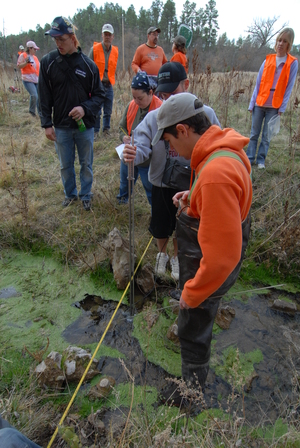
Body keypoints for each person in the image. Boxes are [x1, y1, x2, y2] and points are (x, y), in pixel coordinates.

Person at [152, 92, 252, 403]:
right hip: (214, 252)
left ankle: (190, 397)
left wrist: (191, 294)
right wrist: (194, 197)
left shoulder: (214, 175)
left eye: (169, 140)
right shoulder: (220, 151)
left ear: (183, 130)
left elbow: (222, 258)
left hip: (212, 267)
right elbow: (224, 202)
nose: (170, 148)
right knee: (196, 321)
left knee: (192, 328)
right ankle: (191, 388)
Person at [122, 62, 220, 281]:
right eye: (164, 95)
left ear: (186, 84)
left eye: (173, 93)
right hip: (161, 182)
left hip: (189, 183)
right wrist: (132, 154)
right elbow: (142, 150)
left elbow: (216, 145)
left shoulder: (206, 114)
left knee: (183, 223)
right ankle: (162, 254)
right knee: (160, 223)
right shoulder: (152, 118)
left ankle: (177, 256)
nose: (168, 100)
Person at [38, 16, 105, 211]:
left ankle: (86, 195)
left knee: (86, 164)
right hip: (60, 126)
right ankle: (70, 194)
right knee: (65, 165)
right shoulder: (48, 63)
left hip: (85, 127)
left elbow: (100, 95)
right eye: (55, 39)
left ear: (72, 38)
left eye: (62, 39)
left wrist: (84, 108)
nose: (58, 43)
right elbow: (44, 95)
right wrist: (46, 124)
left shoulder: (89, 65)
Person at [246, 27, 298, 169]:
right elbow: (258, 84)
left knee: (266, 136)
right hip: (260, 103)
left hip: (274, 106)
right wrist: (252, 104)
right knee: (254, 133)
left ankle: (261, 160)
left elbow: (289, 87)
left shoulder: (292, 63)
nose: (281, 44)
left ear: (289, 44)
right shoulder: (267, 60)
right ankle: (249, 159)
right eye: (279, 40)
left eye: (284, 41)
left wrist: (282, 107)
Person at [117, 73, 162, 205]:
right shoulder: (131, 105)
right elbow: (121, 127)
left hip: (148, 161)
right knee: (125, 183)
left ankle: (155, 212)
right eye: (134, 97)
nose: (136, 101)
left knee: (150, 189)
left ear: (150, 92)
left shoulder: (160, 109)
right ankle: (121, 203)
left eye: (140, 98)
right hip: (129, 156)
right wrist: (124, 136)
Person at [89, 24, 118, 139]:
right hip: (97, 84)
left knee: (108, 110)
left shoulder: (115, 51)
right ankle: (95, 132)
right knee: (97, 110)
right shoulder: (94, 49)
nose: (107, 37)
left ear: (113, 37)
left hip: (109, 83)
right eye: (105, 34)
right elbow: (88, 66)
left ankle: (106, 131)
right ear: (102, 35)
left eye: (109, 35)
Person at [17, 41, 41, 117]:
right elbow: (19, 66)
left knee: (39, 97)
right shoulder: (23, 55)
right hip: (27, 80)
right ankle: (32, 112)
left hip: (36, 80)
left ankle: (40, 113)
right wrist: (26, 63)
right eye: (34, 49)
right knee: (34, 95)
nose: (35, 51)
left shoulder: (35, 58)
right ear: (30, 48)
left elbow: (39, 68)